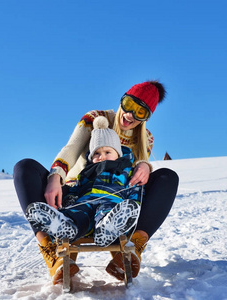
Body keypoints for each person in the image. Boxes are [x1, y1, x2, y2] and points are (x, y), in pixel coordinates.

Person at [13, 80, 179, 284]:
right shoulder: (95, 119)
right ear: (122, 100)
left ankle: (131, 250)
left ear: (147, 117)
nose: (130, 115)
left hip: (114, 199)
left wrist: (145, 165)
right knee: (24, 167)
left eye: (140, 112)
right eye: (129, 105)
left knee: (168, 177)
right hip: (75, 193)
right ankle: (51, 249)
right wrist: (55, 177)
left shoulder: (145, 138)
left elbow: (131, 178)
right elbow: (71, 149)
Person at [25, 116, 143, 248]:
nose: (101, 156)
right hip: (85, 203)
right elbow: (76, 188)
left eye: (107, 152)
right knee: (78, 215)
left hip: (111, 203)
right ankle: (65, 227)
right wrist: (70, 198)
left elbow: (134, 188)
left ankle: (107, 229)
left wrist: (133, 205)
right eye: (96, 153)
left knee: (107, 214)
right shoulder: (86, 173)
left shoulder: (126, 171)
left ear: (118, 154)